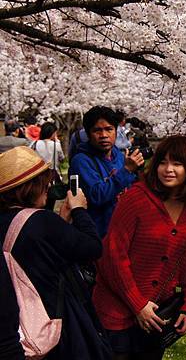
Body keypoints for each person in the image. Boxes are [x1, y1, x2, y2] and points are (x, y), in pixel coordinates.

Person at [93, 135, 186, 360]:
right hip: (116, 311)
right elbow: (113, 256)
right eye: (163, 162)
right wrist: (138, 305)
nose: (168, 169)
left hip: (157, 315)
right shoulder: (136, 199)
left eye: (177, 164)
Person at [0, 146, 110, 360]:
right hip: (51, 326)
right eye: (45, 182)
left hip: (14, 327)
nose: (48, 188)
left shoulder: (14, 221)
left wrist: (61, 221)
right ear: (31, 187)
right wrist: (79, 210)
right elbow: (92, 247)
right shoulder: (42, 221)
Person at [69, 106, 145, 237]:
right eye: (97, 130)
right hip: (97, 235)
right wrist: (126, 171)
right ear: (88, 134)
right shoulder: (81, 161)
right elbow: (96, 196)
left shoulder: (121, 157)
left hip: (122, 231)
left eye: (109, 129)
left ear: (116, 131)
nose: (104, 135)